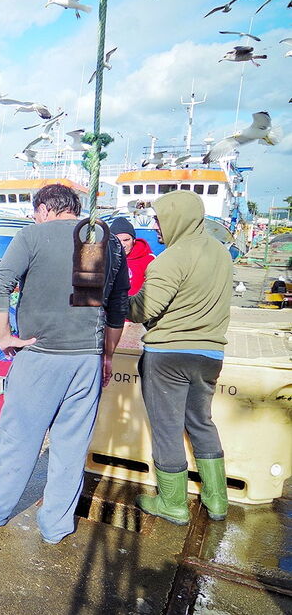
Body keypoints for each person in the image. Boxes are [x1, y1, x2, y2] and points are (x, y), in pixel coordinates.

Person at [0, 183, 129, 544]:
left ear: (45, 209)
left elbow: (0, 286)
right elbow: (118, 306)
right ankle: (56, 526)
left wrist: (5, 336)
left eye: (35, 211)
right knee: (71, 446)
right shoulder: (109, 240)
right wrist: (108, 355)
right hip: (87, 360)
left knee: (19, 439)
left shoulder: (32, 236)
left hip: (40, 357)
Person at [128, 191, 233, 525]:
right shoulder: (221, 253)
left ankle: (172, 503)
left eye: (159, 219)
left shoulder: (170, 259)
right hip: (210, 355)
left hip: (168, 356)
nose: (155, 226)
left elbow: (144, 310)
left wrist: (110, 300)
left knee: (167, 429)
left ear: (176, 218)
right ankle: (217, 500)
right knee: (201, 422)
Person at [109, 216, 156, 296]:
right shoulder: (105, 259)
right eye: (118, 240)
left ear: (134, 240)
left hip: (137, 305)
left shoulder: (149, 260)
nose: (122, 245)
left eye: (126, 240)